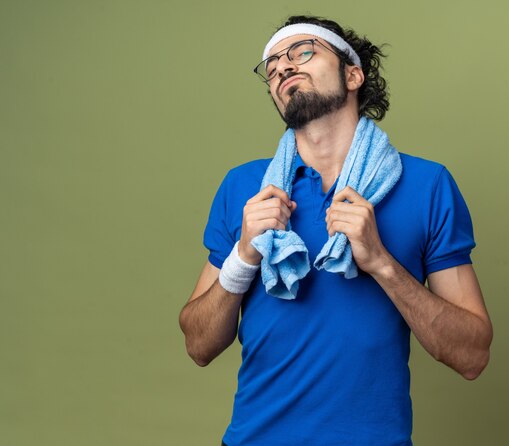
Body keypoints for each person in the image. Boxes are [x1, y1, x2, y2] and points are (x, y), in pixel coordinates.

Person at [179, 15, 493, 446]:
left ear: (353, 73)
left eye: (303, 52)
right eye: (271, 68)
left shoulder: (427, 185)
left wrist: (381, 263)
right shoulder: (243, 189)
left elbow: (473, 355)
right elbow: (198, 346)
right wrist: (244, 255)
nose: (283, 68)